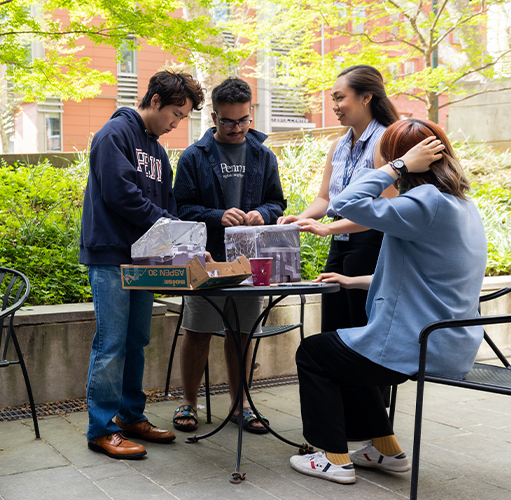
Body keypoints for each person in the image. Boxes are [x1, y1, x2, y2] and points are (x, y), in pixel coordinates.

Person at [288, 119, 487, 484]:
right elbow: (425, 279)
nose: (379, 169)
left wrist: (398, 165)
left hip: (419, 345)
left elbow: (344, 201)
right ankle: (385, 449)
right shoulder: (460, 204)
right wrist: (352, 280)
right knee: (349, 351)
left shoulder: (423, 203)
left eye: (382, 161)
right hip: (450, 344)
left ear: (409, 161)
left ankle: (332, 458)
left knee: (314, 354)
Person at [80, 70, 205, 459]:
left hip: (143, 260)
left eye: (182, 118)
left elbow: (166, 204)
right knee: (111, 344)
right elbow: (122, 194)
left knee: (136, 341)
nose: (176, 124)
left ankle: (131, 416)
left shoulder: (156, 150)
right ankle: (101, 429)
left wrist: (177, 241)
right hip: (111, 255)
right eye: (176, 114)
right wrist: (167, 225)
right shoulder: (113, 135)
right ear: (155, 101)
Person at [172, 76, 286, 433]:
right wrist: (216, 215)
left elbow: (277, 202)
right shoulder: (193, 157)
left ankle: (241, 406)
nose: (237, 128)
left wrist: (262, 214)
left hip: (250, 263)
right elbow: (179, 209)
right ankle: (188, 403)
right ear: (213, 117)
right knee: (198, 331)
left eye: (243, 120)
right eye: (228, 121)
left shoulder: (263, 155)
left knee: (242, 334)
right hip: (206, 260)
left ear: (251, 114)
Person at [278, 65, 400, 332]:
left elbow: (385, 209)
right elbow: (325, 199)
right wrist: (301, 218)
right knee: (332, 321)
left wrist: (328, 228)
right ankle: (337, 374)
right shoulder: (339, 145)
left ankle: (362, 375)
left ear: (366, 97)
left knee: (361, 322)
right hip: (340, 240)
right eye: (333, 99)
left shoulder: (385, 140)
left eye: (340, 97)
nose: (334, 105)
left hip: (371, 240)